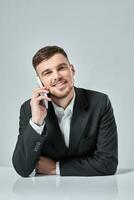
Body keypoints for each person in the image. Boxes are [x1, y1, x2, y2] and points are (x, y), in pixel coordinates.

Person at [12, 45, 118, 177]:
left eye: (61, 68)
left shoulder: (100, 103)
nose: (56, 76)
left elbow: (108, 164)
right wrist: (37, 122)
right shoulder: (29, 109)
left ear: (72, 70)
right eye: (47, 73)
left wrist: (55, 168)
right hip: (47, 192)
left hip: (91, 190)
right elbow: (22, 168)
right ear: (40, 82)